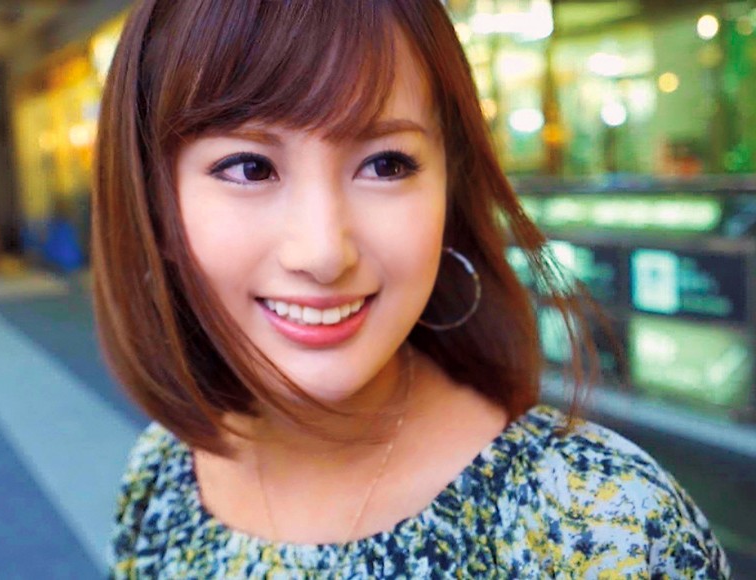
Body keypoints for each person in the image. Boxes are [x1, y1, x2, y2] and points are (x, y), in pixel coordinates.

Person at [93, 1, 730, 578]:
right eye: (249, 167)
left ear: (448, 189)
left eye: (386, 164)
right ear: (157, 206)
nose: (323, 252)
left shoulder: (605, 526)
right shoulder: (163, 475)